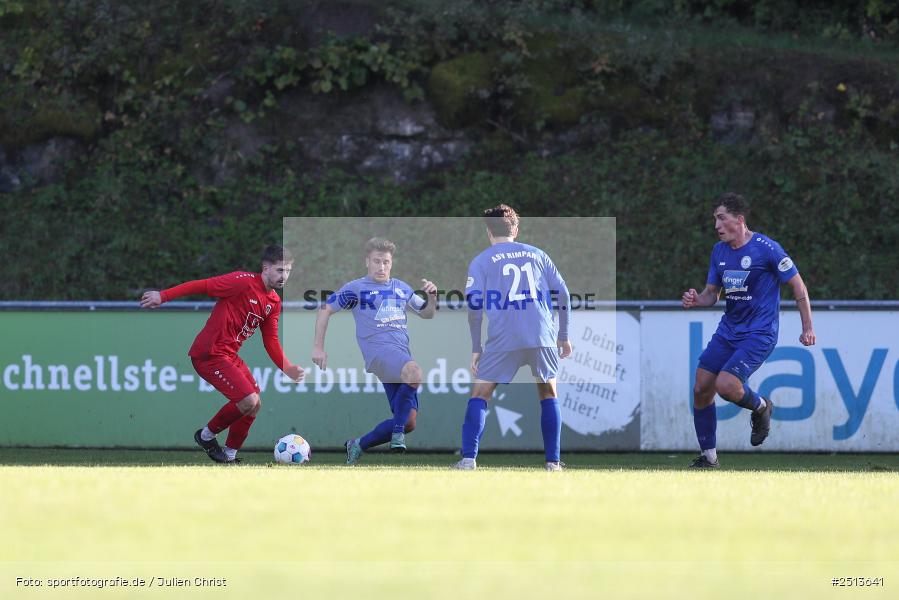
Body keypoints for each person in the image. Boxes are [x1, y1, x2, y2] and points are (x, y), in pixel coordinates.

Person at [682, 193, 815, 468]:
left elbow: (798, 286)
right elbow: (711, 294)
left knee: (726, 385)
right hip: (728, 331)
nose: (717, 225)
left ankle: (762, 407)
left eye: (722, 218)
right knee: (701, 388)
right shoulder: (718, 251)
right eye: (715, 220)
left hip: (759, 333)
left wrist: (808, 328)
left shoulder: (767, 248)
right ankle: (709, 458)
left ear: (739, 220)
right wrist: (697, 299)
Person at [140, 245, 305, 463]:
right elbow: (202, 285)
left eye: (288, 271)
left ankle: (229, 456)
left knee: (254, 405)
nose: (284, 276)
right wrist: (163, 295)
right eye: (280, 270)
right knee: (248, 399)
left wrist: (288, 368)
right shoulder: (241, 281)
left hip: (229, 355)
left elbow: (270, 340)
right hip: (209, 354)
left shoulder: (273, 302)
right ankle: (206, 436)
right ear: (265, 268)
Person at [456, 204, 572, 471]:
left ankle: (468, 459)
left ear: (488, 232)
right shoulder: (539, 255)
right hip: (541, 334)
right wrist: (563, 336)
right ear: (515, 230)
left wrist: (476, 347)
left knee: (481, 394)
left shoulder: (481, 261)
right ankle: (553, 463)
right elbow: (563, 294)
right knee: (548, 393)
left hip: (504, 337)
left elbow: (474, 308)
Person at [312, 237, 437, 465]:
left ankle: (358, 444)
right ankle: (396, 437)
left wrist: (432, 296)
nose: (381, 267)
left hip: (399, 357)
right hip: (378, 354)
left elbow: (427, 313)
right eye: (376, 261)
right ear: (367, 262)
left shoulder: (401, 288)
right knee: (415, 372)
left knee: (409, 421)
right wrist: (318, 347)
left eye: (386, 262)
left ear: (391, 263)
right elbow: (325, 309)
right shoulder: (356, 288)